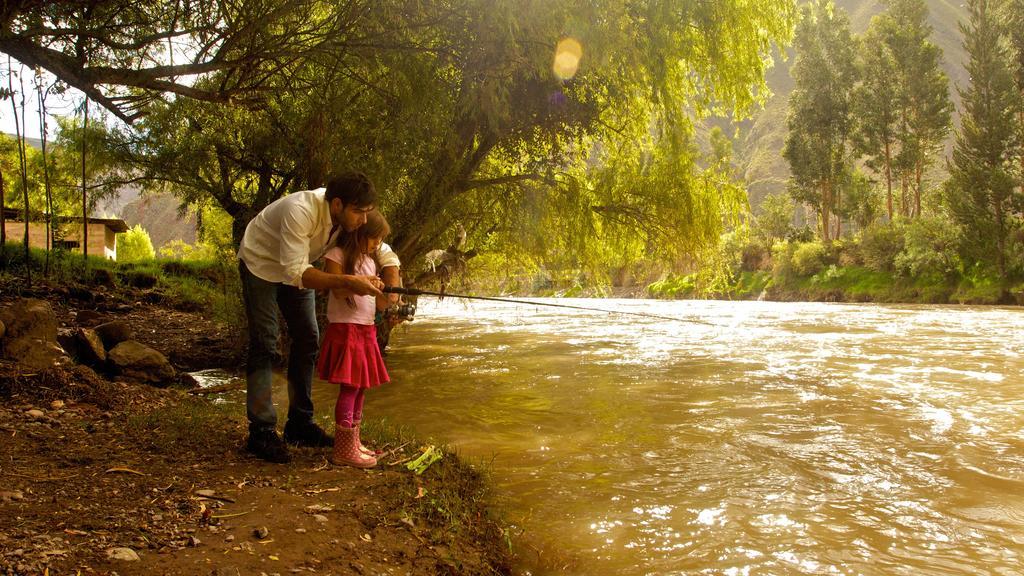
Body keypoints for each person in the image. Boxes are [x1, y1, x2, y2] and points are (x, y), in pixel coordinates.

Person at [237, 173, 384, 463]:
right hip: (260, 265)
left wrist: (390, 277)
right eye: (359, 213)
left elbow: (380, 245)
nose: (363, 221)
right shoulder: (300, 210)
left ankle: (299, 424)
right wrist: (347, 282)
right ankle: (262, 431)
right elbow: (296, 274)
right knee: (266, 343)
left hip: (296, 267)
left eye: (367, 213)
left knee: (308, 339)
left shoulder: (348, 219)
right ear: (338, 204)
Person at [317, 210, 393, 467]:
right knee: (350, 386)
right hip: (346, 330)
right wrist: (360, 283)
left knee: (361, 386)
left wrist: (384, 293)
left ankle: (353, 442)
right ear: (359, 233)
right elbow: (338, 290)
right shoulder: (336, 255)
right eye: (374, 238)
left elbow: (379, 303)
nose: (376, 244)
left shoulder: (371, 262)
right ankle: (342, 450)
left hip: (366, 329)